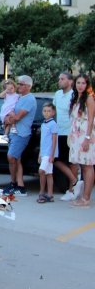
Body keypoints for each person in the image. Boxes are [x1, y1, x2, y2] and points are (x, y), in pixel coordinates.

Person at [4, 75, 36, 196]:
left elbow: (17, 117)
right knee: (17, 159)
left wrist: (8, 120)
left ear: (28, 86)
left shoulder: (29, 99)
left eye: (21, 84)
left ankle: (13, 183)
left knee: (11, 156)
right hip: (13, 132)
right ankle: (19, 185)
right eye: (18, 84)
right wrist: (8, 119)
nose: (19, 86)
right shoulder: (19, 98)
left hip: (21, 134)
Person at [68, 75, 95, 208]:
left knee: (88, 165)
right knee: (82, 166)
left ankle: (86, 198)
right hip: (76, 136)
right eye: (78, 82)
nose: (80, 85)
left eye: (83, 83)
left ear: (87, 85)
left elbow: (90, 120)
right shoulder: (76, 98)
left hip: (85, 136)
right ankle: (83, 196)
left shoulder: (89, 99)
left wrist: (87, 138)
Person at [54, 72, 80, 200]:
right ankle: (75, 180)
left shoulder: (74, 95)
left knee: (72, 162)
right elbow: (54, 112)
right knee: (56, 159)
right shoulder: (58, 94)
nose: (60, 81)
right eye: (59, 79)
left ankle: (72, 190)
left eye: (62, 79)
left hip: (70, 133)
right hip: (58, 132)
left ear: (70, 81)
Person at [38, 102, 58, 203]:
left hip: (49, 153)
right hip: (44, 153)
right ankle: (50, 195)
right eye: (45, 111)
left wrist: (52, 154)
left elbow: (54, 140)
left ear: (53, 112)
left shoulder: (53, 124)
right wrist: (40, 154)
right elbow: (42, 140)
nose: (46, 113)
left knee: (41, 171)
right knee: (49, 173)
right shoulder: (43, 124)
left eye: (49, 111)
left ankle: (42, 192)